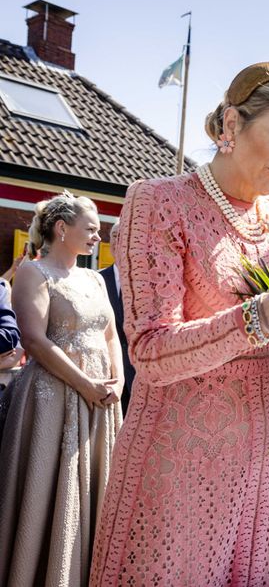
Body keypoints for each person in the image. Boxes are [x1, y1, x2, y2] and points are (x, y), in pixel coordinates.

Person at [89, 60, 269, 587]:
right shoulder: (158, 203)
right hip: (179, 464)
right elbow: (151, 352)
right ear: (231, 125)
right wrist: (266, 313)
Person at [0, 192, 122, 587]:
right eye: (91, 229)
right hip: (51, 399)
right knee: (48, 488)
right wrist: (85, 384)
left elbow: (110, 336)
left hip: (101, 401)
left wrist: (116, 381)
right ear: (61, 228)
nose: (97, 237)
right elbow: (34, 340)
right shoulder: (35, 273)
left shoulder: (93, 277)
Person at [99, 222, 137, 414]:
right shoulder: (95, 280)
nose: (118, 241)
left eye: (124, 235)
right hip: (105, 381)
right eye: (114, 236)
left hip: (140, 381)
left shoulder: (148, 283)